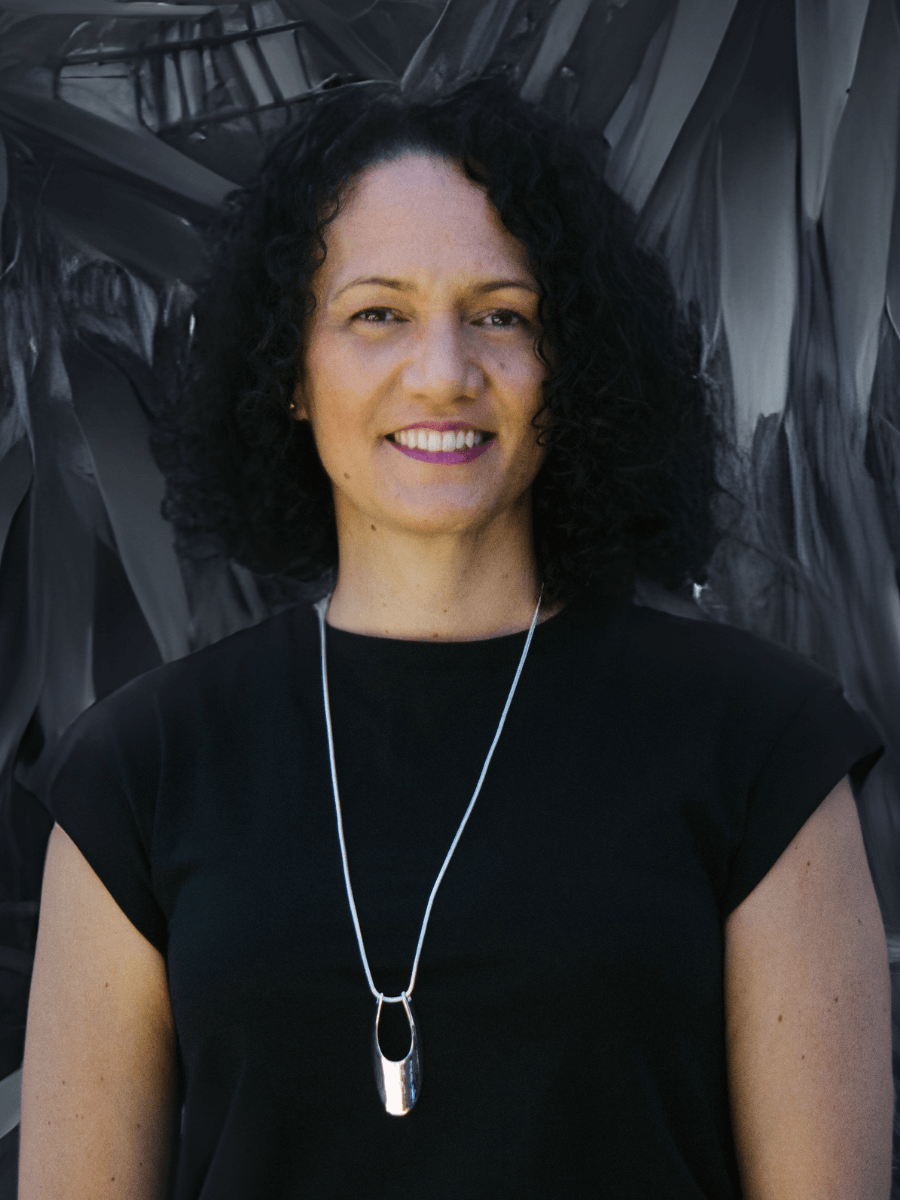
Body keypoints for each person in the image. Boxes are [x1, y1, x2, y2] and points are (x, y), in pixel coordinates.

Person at [18, 75, 892, 1199]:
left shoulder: (764, 749)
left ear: (566, 368)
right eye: (378, 311)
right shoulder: (139, 773)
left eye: (502, 315)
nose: (443, 372)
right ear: (290, 368)